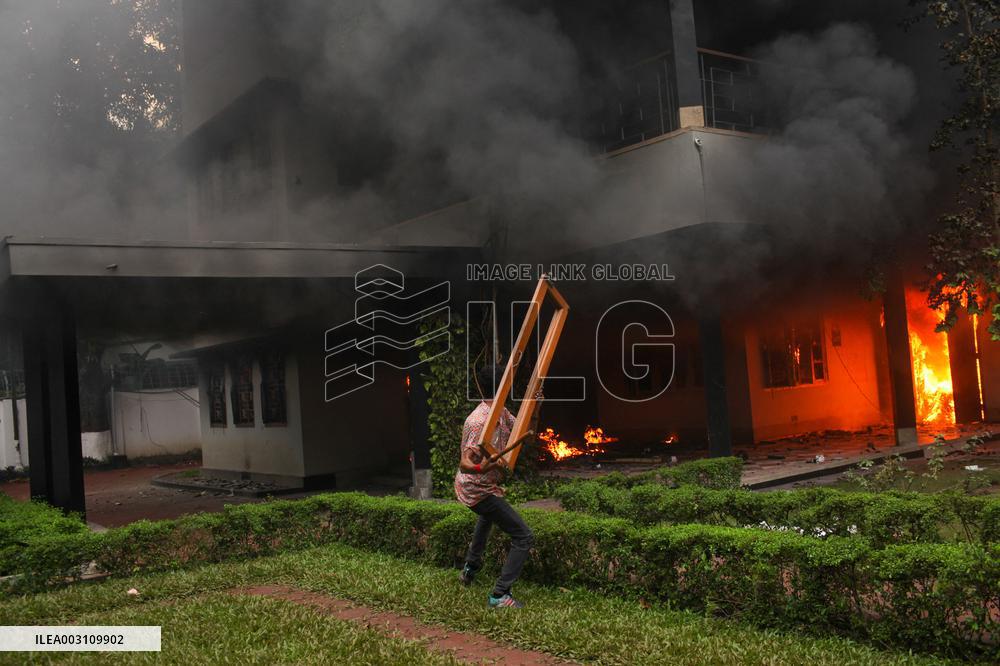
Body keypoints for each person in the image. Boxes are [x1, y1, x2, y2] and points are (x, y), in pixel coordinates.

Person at [454, 364, 540, 609]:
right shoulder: (479, 421)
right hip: (475, 488)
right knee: (524, 535)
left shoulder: (499, 412)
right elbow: (464, 464)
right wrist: (484, 467)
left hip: (486, 487)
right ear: (503, 387)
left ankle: (470, 568)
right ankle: (500, 594)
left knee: (487, 518)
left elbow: (525, 430)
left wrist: (535, 401)